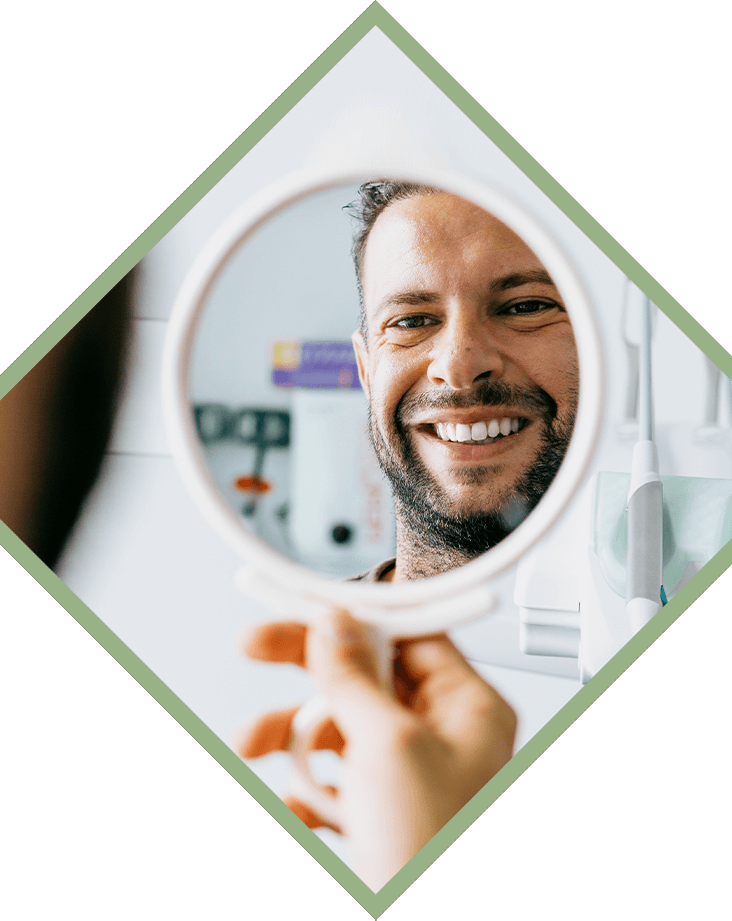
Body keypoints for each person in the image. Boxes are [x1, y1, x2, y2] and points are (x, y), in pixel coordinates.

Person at [236, 181, 581, 889]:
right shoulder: (263, 693)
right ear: (365, 371)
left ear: (601, 358)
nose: (458, 364)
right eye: (412, 320)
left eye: (523, 306)